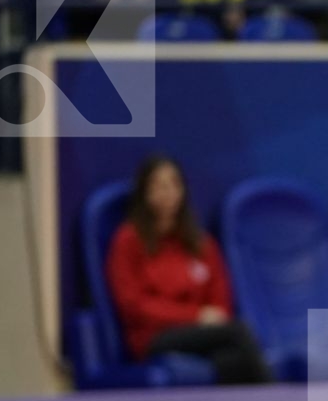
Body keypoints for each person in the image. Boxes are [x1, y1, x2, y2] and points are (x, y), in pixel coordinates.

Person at [106, 156, 271, 385]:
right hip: (154, 337)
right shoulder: (128, 240)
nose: (167, 192)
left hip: (203, 335)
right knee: (239, 333)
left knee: (232, 359)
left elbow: (219, 300)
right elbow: (133, 305)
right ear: (144, 191)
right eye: (158, 185)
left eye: (173, 184)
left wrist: (208, 318)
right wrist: (195, 316)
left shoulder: (200, 243)